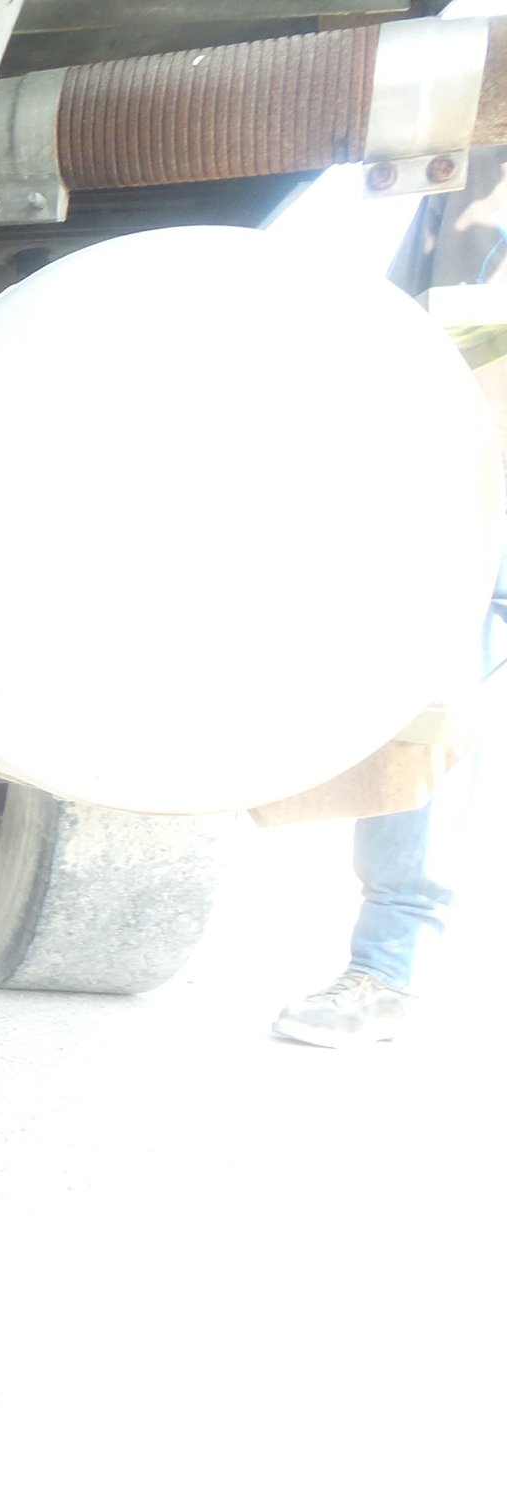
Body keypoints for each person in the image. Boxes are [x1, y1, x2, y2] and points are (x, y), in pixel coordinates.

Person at [272, 147, 507, 1047]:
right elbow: (405, 321)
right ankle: (390, 968)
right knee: (430, 709)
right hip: (474, 479)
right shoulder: (481, 155)